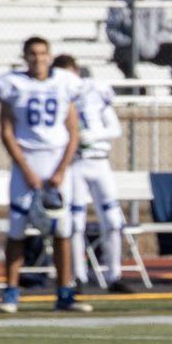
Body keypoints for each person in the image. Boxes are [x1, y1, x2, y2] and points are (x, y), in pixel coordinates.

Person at [0, 36, 91, 313]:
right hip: (26, 162)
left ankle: (64, 293)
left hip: (57, 163)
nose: (38, 58)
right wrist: (26, 169)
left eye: (43, 53)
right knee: (17, 228)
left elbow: (73, 132)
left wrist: (60, 170)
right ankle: (11, 292)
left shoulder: (64, 82)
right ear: (25, 56)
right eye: (33, 54)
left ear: (50, 56)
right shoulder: (12, 85)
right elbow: (6, 132)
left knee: (62, 230)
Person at [52, 54, 130, 293]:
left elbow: (114, 128)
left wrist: (93, 136)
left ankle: (113, 274)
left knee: (114, 221)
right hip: (75, 164)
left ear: (76, 71)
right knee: (75, 222)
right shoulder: (56, 95)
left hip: (99, 162)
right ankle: (79, 276)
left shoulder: (96, 91)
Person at [106, 0, 172, 94]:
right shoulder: (119, 4)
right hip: (131, 47)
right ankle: (138, 89)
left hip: (153, 45)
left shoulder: (155, 1)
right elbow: (112, 31)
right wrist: (130, 41)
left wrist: (156, 40)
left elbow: (166, 27)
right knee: (119, 55)